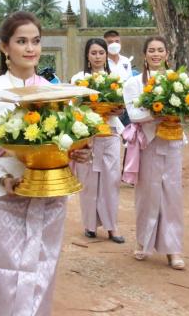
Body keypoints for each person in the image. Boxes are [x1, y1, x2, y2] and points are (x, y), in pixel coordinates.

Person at [0, 11, 92, 316]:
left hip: (50, 194)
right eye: (21, 41)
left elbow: (63, 140)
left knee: (43, 268)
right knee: (6, 271)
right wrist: (2, 178)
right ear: (4, 47)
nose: (30, 48)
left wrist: (77, 152)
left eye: (35, 41)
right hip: (6, 195)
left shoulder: (58, 92)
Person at [122, 36, 185, 270]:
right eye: (151, 50)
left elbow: (188, 114)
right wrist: (159, 113)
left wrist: (187, 113)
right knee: (147, 193)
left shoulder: (179, 81)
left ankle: (173, 249)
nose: (156, 54)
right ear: (144, 54)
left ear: (167, 54)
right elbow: (134, 115)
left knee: (172, 194)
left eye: (160, 50)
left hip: (173, 142)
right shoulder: (133, 83)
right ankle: (143, 241)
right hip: (147, 143)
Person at [71, 38, 125, 243]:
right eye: (93, 53)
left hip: (110, 133)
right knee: (88, 181)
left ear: (106, 55)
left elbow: (122, 106)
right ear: (87, 55)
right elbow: (73, 107)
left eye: (101, 53)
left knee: (111, 180)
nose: (97, 57)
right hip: (86, 135)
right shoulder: (79, 79)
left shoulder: (115, 78)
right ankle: (90, 225)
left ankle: (112, 227)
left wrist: (118, 110)